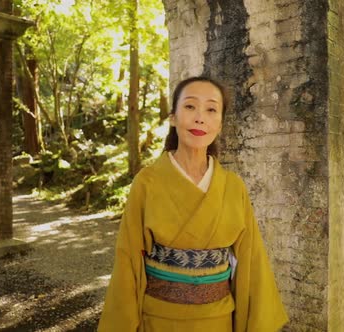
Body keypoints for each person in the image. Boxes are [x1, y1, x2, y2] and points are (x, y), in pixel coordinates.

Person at [98, 76, 288, 332]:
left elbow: (252, 262)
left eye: (211, 109)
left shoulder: (233, 187)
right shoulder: (147, 182)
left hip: (218, 320)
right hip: (159, 318)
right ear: (173, 117)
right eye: (190, 107)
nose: (200, 118)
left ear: (219, 124)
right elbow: (128, 260)